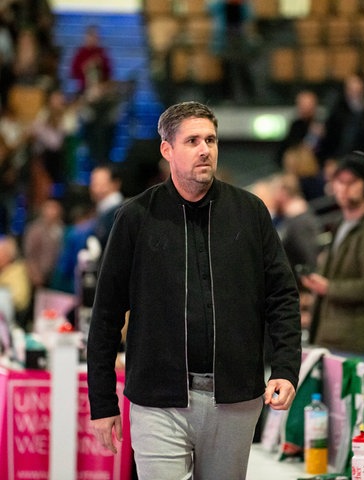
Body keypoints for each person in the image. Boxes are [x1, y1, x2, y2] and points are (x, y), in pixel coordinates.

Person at [87, 101, 302, 479]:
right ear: (167, 150)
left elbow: (282, 296)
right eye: (192, 140)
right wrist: (102, 401)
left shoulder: (250, 212)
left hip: (235, 396)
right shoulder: (136, 218)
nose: (205, 149)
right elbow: (105, 314)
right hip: (158, 399)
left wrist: (285, 368)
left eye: (211, 139)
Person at [301, 151, 364, 360]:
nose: (344, 188)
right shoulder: (341, 224)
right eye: (340, 181)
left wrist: (328, 288)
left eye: (352, 182)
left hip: (358, 343)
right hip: (330, 338)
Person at [88, 163, 124, 251]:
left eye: (102, 185)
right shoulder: (101, 211)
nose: (97, 189)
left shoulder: (120, 212)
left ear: (116, 184)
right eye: (94, 184)